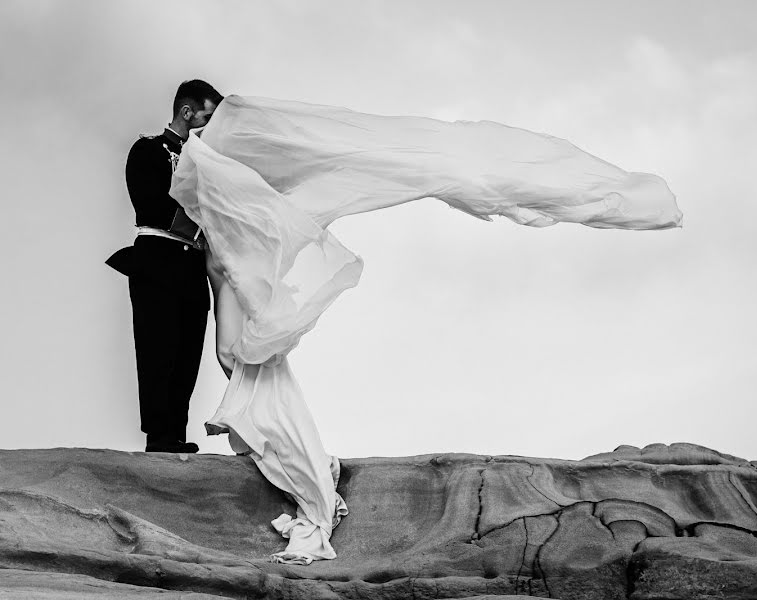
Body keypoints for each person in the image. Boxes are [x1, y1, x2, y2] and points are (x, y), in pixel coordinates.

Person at [169, 94, 682, 563]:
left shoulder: (234, 238)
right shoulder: (229, 237)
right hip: (242, 324)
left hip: (242, 324)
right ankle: (302, 471)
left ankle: (307, 483)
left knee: (255, 382)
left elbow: (229, 299)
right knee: (257, 386)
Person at [107, 80, 223, 453]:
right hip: (157, 258)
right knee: (158, 350)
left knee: (188, 354)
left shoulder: (211, 163)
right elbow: (151, 205)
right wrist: (206, 218)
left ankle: (176, 432)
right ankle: (158, 437)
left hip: (193, 267)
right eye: (207, 117)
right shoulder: (147, 150)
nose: (211, 126)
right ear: (187, 112)